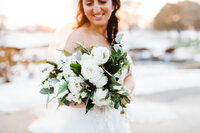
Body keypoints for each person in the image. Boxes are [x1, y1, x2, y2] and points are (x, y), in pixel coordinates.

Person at [29, 0, 134, 133]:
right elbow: (61, 94)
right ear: (82, 7)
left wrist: (125, 93)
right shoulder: (78, 37)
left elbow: (129, 75)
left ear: (113, 4)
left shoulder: (113, 37)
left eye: (102, 1)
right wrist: (98, 99)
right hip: (86, 125)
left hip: (115, 122)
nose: (96, 9)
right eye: (89, 3)